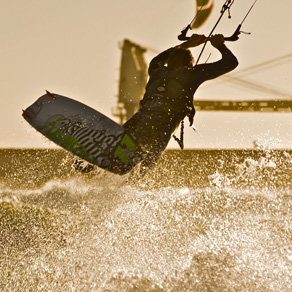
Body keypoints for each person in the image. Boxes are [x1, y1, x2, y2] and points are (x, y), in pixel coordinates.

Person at [122, 34, 239, 176]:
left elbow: (158, 59)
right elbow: (231, 62)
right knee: (148, 162)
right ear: (190, 63)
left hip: (140, 119)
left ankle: (91, 167)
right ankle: (136, 180)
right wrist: (220, 45)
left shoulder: (156, 70)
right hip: (163, 125)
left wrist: (187, 44)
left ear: (169, 62)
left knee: (116, 141)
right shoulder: (193, 74)